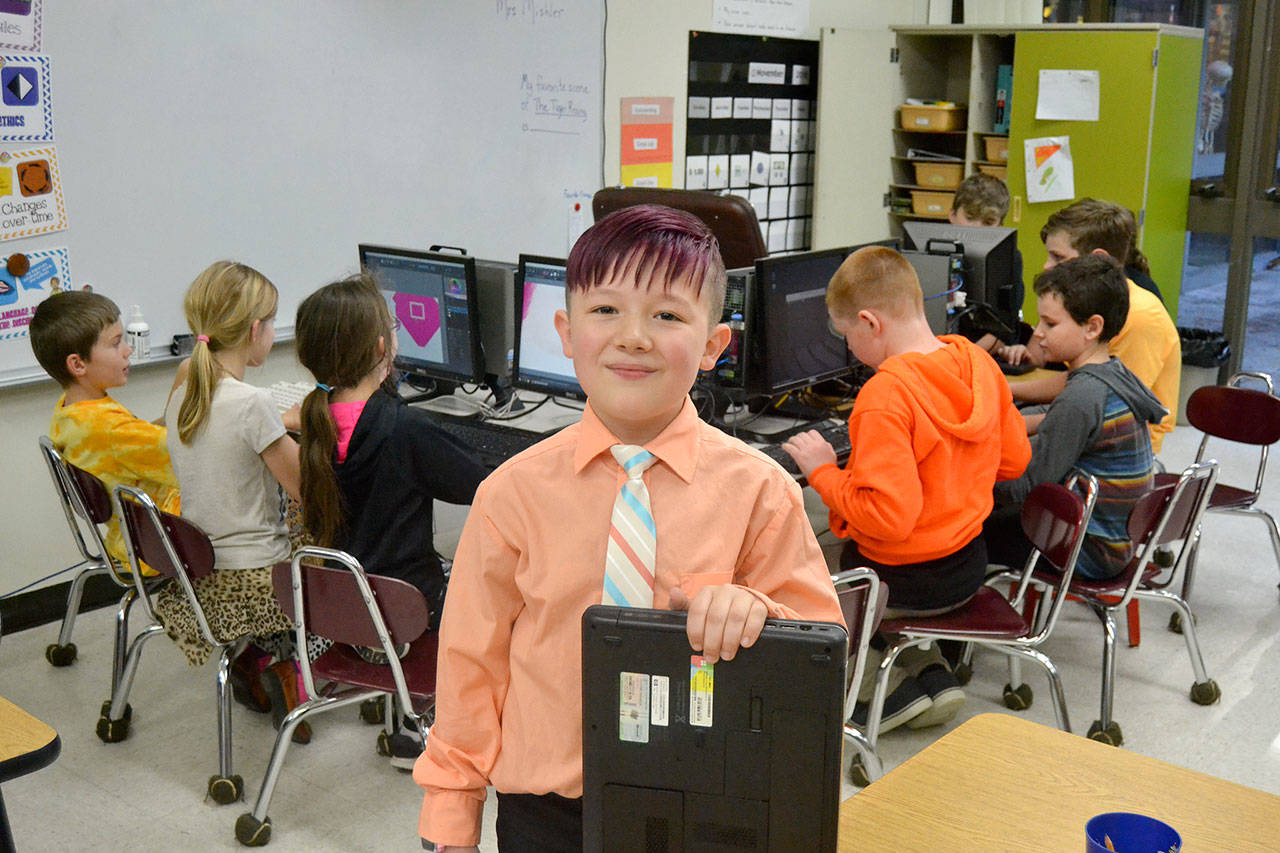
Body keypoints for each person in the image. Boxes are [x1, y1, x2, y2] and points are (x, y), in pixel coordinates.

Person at [413, 205, 844, 852]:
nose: (634, 336)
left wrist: (759, 612)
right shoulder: (511, 494)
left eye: (667, 315)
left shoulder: (760, 491)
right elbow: (472, 665)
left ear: (712, 345)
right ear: (565, 330)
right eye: (605, 310)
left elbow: (818, 659)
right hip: (544, 813)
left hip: (702, 798)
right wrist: (452, 816)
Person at [783, 245, 1030, 733]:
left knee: (812, 571)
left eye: (847, 334)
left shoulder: (885, 394)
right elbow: (1016, 460)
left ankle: (881, 695)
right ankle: (932, 678)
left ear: (871, 323)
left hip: (902, 584)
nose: (849, 348)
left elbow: (888, 519)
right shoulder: (978, 364)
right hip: (966, 566)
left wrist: (823, 473)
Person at [293, 274, 489, 766]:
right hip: (405, 615)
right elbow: (485, 484)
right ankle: (427, 727)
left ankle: (407, 716)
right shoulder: (405, 429)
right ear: (384, 345)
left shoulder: (312, 420)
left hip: (341, 611)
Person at [160, 260, 314, 743]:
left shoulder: (185, 388)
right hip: (258, 581)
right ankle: (293, 668)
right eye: (272, 322)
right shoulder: (251, 404)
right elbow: (305, 489)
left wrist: (276, 424)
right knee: (334, 529)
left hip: (202, 573)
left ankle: (258, 656)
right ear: (255, 330)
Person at [985, 255, 1163, 580]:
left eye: (1050, 324)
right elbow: (1055, 431)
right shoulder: (1112, 373)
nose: (1037, 334)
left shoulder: (1082, 397)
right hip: (1114, 537)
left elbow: (1027, 486)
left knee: (965, 533)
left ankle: (961, 624)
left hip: (1088, 550)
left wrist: (961, 477)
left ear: (1092, 327)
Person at [1011, 198, 1180, 453]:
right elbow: (1073, 378)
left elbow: (1106, 403)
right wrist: (1006, 390)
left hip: (1120, 438)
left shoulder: (1140, 317)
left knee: (999, 453)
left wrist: (1010, 406)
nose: (1047, 266)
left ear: (1098, 258)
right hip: (1082, 408)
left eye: (1058, 257)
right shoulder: (1083, 301)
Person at [30, 291, 180, 569]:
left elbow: (138, 439)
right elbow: (188, 457)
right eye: (115, 343)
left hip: (129, 536)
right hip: (160, 540)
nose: (127, 349)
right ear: (78, 364)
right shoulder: (108, 428)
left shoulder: (70, 411)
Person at [947, 173, 1030, 362]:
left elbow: (1003, 330)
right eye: (969, 217)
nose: (977, 229)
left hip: (983, 355)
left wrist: (961, 359)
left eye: (988, 222)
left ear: (1001, 225)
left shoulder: (1010, 260)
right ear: (952, 215)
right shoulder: (932, 252)